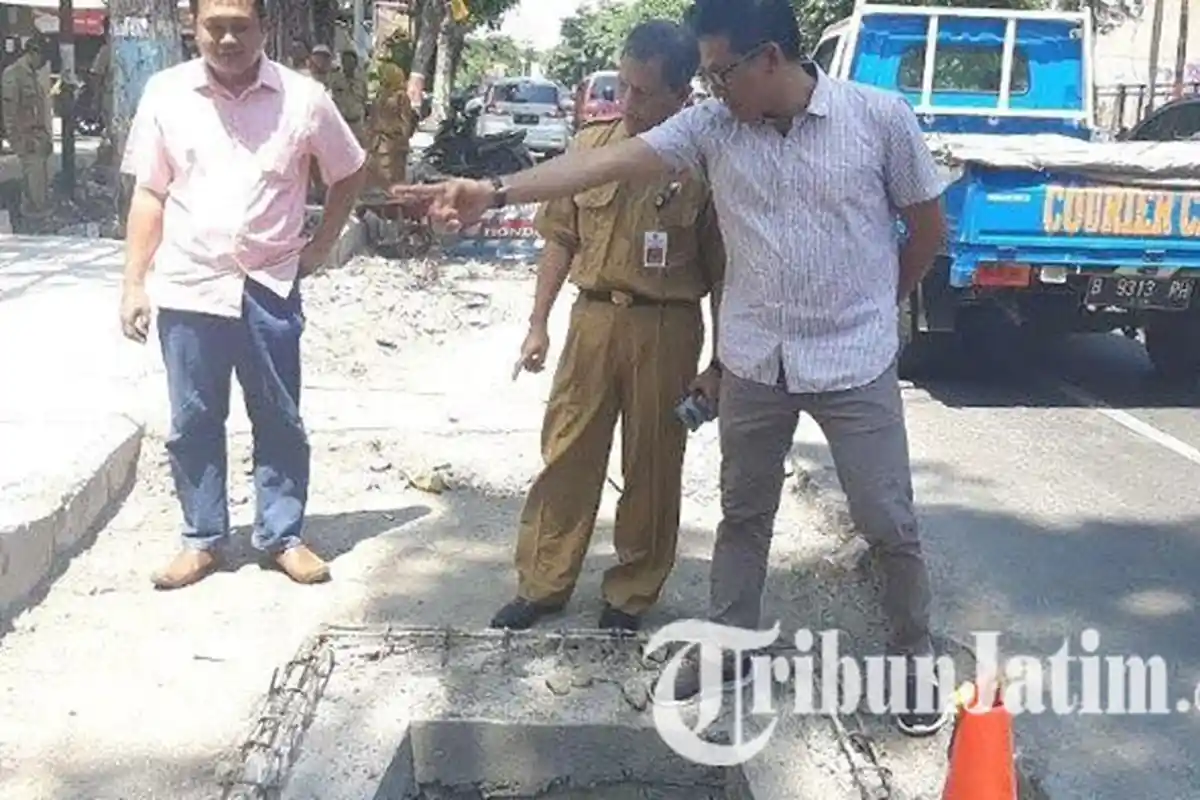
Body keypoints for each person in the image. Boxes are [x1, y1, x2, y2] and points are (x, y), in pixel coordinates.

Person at [394, 0, 949, 737]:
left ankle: (912, 661)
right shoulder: (714, 128)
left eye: (722, 74)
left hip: (854, 363)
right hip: (756, 361)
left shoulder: (879, 120)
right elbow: (605, 160)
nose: (714, 91)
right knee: (743, 517)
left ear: (771, 59)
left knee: (888, 523)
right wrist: (492, 192)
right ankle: (728, 648)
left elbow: (927, 231)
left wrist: (879, 307)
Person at [118, 0, 368, 590]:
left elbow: (349, 169)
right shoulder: (165, 93)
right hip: (189, 283)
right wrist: (133, 281)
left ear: (262, 28)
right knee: (193, 419)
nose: (227, 39)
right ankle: (203, 538)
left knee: (278, 416)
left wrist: (321, 244)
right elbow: (150, 193)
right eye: (215, 26)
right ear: (194, 26)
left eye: (240, 26)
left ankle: (282, 536)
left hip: (269, 285)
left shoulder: (303, 98)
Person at [491, 20, 724, 634]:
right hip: (592, 320)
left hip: (668, 327)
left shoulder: (704, 163)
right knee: (565, 453)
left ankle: (631, 593)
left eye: (646, 93)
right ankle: (542, 583)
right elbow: (558, 240)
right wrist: (537, 324)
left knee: (653, 463)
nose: (630, 103)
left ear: (683, 96)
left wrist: (719, 365)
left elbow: (727, 275)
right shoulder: (592, 147)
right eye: (624, 86)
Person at [1, 37, 52, 223]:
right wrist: (18, 142)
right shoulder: (13, 75)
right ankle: (34, 223)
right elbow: (9, 113)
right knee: (34, 188)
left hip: (38, 138)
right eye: (42, 57)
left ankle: (37, 220)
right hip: (27, 138)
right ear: (33, 53)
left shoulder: (32, 75)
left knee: (40, 187)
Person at [365, 62, 415, 190]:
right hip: (377, 142)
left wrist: (403, 142)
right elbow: (373, 117)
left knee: (392, 178)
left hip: (393, 143)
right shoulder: (380, 93)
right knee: (375, 176)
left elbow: (406, 121)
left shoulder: (401, 97)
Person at [329, 49, 369, 145]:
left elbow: (364, 99)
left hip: (357, 123)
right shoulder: (336, 80)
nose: (348, 64)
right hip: (341, 123)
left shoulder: (361, 81)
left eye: (350, 62)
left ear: (355, 63)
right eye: (345, 61)